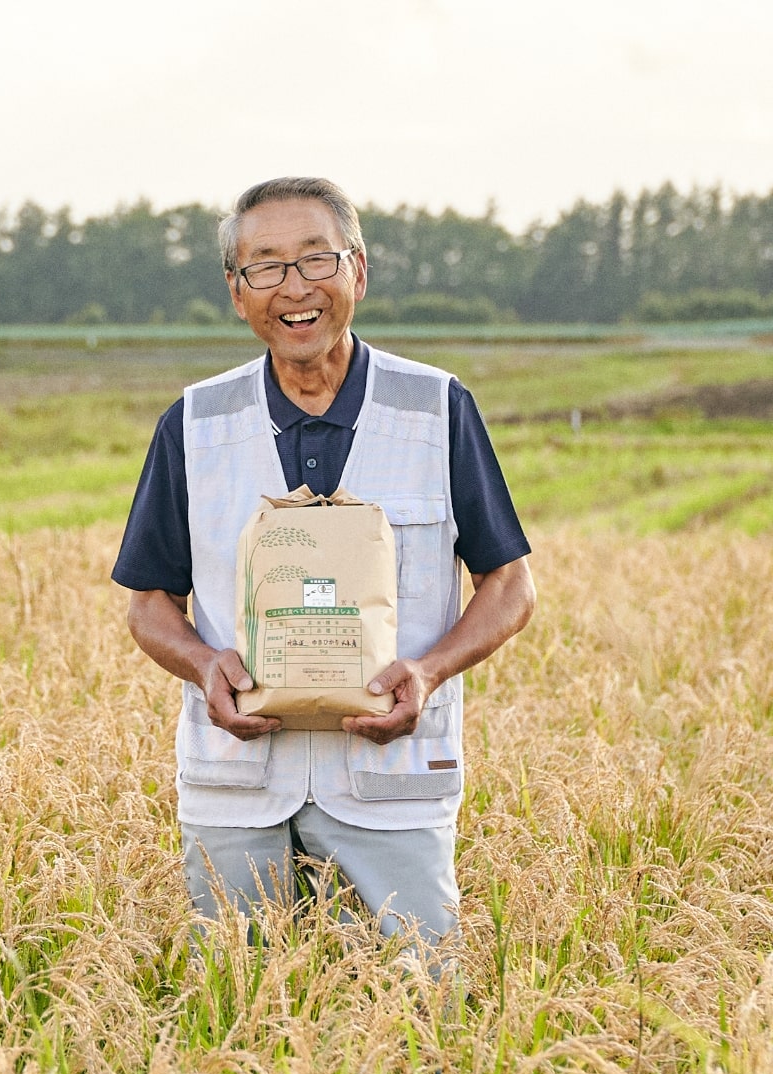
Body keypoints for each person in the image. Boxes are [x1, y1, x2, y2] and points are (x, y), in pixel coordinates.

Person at [112, 176, 535, 954]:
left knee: (417, 1007)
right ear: (236, 294)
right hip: (237, 786)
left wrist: (431, 672)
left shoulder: (435, 407)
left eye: (316, 259)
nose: (293, 288)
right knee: (237, 1013)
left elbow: (509, 585)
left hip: (393, 783)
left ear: (359, 272)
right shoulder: (195, 423)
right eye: (264, 267)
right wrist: (205, 667)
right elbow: (147, 602)